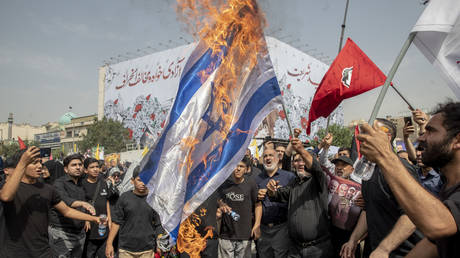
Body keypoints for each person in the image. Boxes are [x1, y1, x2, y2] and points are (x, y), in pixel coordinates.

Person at [356, 101, 460, 258]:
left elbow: (438, 225)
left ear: (457, 141)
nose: (421, 138)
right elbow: (433, 243)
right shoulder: (448, 186)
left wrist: (385, 156)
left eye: (430, 131)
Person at [341, 118, 422, 258]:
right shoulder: (369, 170)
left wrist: (384, 249)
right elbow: (368, 210)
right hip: (374, 250)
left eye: (371, 132)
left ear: (387, 137)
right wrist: (353, 239)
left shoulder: (401, 168)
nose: (364, 137)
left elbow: (412, 215)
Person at [0, 147, 102, 258]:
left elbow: (66, 211)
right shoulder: (10, 188)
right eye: (33, 163)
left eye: (39, 162)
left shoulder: (47, 189)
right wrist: (22, 163)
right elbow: (6, 196)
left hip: (43, 251)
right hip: (14, 252)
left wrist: (94, 219)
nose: (39, 166)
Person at [267, 138, 333, 258]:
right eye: (296, 161)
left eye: (303, 160)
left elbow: (315, 166)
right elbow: (278, 195)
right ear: (293, 164)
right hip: (295, 249)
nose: (300, 163)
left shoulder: (318, 179)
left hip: (317, 249)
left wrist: (301, 149)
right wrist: (271, 191)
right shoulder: (294, 183)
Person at [106, 168, 163, 258]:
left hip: (147, 249)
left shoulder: (153, 200)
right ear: (132, 181)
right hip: (126, 250)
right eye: (139, 180)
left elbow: (158, 224)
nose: (143, 184)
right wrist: (109, 244)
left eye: (146, 180)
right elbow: (116, 222)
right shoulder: (124, 198)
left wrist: (160, 242)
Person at [49, 153, 98, 258]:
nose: (78, 167)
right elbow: (66, 201)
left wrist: (86, 219)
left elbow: (85, 199)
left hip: (80, 234)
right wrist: (83, 204)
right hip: (61, 233)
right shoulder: (59, 184)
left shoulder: (81, 183)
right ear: (66, 169)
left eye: (80, 165)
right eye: (74, 165)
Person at [255, 148, 295, 258]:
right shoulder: (257, 178)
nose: (268, 158)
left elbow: (294, 198)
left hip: (281, 228)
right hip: (263, 229)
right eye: (265, 156)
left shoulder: (289, 177)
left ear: (277, 159)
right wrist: (256, 196)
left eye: (271, 155)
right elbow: (253, 202)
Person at [217, 156, 261, 258]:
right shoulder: (224, 183)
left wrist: (257, 225)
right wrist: (221, 204)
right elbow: (218, 200)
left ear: (246, 169)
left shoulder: (251, 184)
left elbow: (258, 204)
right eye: (235, 166)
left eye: (241, 166)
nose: (238, 168)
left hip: (245, 234)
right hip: (226, 234)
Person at [82, 157, 117, 258]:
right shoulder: (82, 184)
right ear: (85, 170)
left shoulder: (103, 182)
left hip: (103, 226)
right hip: (89, 228)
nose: (95, 169)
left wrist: (110, 220)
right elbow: (81, 203)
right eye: (92, 167)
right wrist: (86, 220)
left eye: (97, 166)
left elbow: (106, 202)